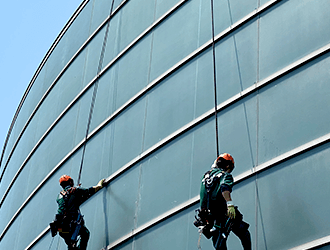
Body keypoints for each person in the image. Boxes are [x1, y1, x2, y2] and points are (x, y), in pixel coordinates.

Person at [199, 153, 251, 250]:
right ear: (228, 165)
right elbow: (224, 187)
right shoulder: (225, 175)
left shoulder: (205, 177)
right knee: (244, 233)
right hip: (223, 212)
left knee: (219, 245)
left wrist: (204, 215)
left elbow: (203, 195)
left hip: (210, 216)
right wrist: (229, 204)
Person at [50, 175, 105, 250]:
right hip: (72, 224)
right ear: (70, 182)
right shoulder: (75, 190)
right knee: (85, 234)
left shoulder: (59, 196)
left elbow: (67, 205)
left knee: (71, 245)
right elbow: (89, 191)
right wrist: (99, 185)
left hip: (62, 228)